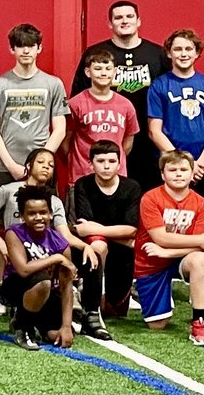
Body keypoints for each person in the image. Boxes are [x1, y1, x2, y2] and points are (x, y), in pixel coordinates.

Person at [0, 148, 98, 315]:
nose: (46, 167)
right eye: (41, 162)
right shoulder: (9, 190)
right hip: (13, 249)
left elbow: (64, 235)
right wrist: (0, 241)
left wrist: (86, 247)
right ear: (29, 165)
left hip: (39, 252)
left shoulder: (54, 201)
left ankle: (84, 307)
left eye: (51, 165)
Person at [72, 0, 170, 191]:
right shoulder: (95, 53)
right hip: (108, 144)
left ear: (138, 21)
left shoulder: (157, 54)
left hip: (149, 143)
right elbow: (76, 103)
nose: (124, 21)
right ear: (110, 24)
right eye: (118, 17)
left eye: (129, 16)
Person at [132, 150, 204, 345]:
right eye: (172, 170)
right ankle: (141, 290)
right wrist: (197, 241)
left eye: (183, 169)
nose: (178, 174)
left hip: (181, 257)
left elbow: (199, 246)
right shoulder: (151, 198)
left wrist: (169, 252)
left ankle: (199, 320)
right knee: (158, 324)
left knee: (200, 261)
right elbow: (160, 237)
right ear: (163, 174)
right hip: (151, 261)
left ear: (192, 173)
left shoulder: (200, 203)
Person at [0, 23, 69, 191]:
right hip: (6, 168)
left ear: (39, 48)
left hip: (42, 171)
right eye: (21, 46)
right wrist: (12, 166)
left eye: (31, 46)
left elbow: (60, 129)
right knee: (1, 218)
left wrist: (40, 162)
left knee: (43, 217)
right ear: (12, 49)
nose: (26, 51)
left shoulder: (54, 84)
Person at [72, 140, 140, 332]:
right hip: (96, 248)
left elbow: (132, 230)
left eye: (111, 161)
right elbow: (85, 229)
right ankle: (91, 304)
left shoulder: (131, 187)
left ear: (119, 163)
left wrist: (99, 228)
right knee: (98, 244)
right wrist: (119, 233)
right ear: (91, 163)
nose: (106, 166)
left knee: (115, 311)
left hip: (123, 252)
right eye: (100, 161)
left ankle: (101, 297)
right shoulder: (83, 184)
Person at [3, 185, 77, 350]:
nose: (38, 217)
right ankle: (23, 326)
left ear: (51, 214)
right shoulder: (14, 233)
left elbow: (66, 286)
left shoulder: (60, 242)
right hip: (18, 286)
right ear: (22, 216)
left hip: (48, 293)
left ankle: (36, 323)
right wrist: (55, 258)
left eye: (43, 212)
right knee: (43, 281)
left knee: (55, 335)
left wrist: (66, 326)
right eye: (31, 213)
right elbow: (23, 269)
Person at [64, 49, 138, 191]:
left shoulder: (126, 105)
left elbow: (127, 143)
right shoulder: (75, 103)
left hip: (116, 178)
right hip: (82, 176)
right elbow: (66, 141)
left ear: (114, 72)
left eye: (108, 69)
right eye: (97, 69)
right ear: (88, 72)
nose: (103, 73)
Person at [148, 29, 204, 194]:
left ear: (197, 53)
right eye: (178, 49)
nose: (183, 54)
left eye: (188, 49)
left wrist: (198, 164)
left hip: (202, 164)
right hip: (171, 166)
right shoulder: (159, 86)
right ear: (169, 53)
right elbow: (154, 131)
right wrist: (183, 164)